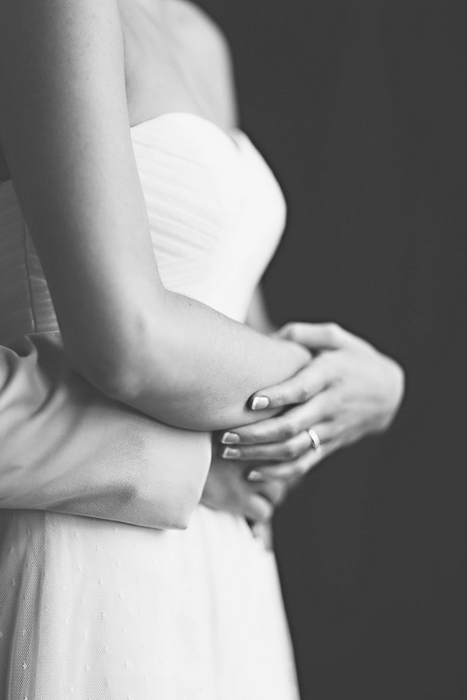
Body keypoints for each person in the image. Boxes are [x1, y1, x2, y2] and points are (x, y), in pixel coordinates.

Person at [0, 0, 404, 697]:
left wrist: (308, 416)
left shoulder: (202, 39)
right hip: (89, 529)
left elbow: (242, 359)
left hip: (224, 540)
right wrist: (352, 384)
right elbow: (130, 340)